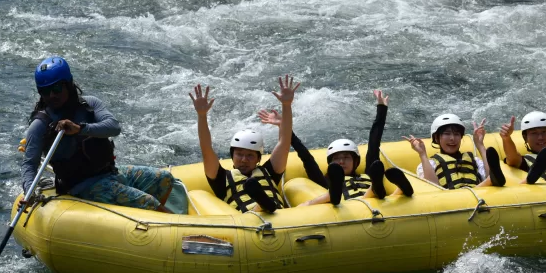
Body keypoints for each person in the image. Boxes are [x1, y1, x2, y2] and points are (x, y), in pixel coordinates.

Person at [21, 56, 175, 213]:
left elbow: (114, 127)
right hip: (84, 187)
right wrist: (29, 193)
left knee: (164, 179)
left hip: (110, 173)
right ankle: (159, 217)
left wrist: (80, 129)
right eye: (45, 91)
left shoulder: (89, 105)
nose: (52, 96)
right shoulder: (40, 125)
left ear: (68, 84)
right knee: (148, 202)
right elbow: (30, 164)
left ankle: (146, 224)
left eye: (57, 89)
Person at [258, 90, 414, 206]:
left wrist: (382, 108)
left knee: (376, 168)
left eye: (346, 157)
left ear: (355, 161)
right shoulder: (325, 181)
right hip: (348, 207)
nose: (341, 161)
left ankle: (392, 189)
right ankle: (375, 190)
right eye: (337, 159)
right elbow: (305, 155)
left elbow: (374, 143)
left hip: (378, 202)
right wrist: (283, 126)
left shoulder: (369, 173)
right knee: (362, 186)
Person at [190, 76, 299, 214]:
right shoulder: (221, 179)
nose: (244, 160)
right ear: (232, 155)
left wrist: (287, 105)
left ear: (259, 158)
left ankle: (263, 203)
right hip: (248, 224)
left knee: (267, 202)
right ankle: (261, 205)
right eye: (239, 154)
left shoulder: (270, 171)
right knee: (256, 208)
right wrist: (201, 115)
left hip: (281, 218)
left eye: (250, 155)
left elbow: (284, 141)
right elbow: (206, 148)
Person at [404, 113, 506, 188]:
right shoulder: (429, 164)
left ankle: (493, 179)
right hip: (450, 200)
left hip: (479, 196)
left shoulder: (474, 160)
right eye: (447, 134)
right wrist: (422, 154)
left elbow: (487, 175)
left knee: (491, 177)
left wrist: (480, 145)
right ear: (436, 138)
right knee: (490, 180)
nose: (452, 138)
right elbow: (433, 187)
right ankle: (491, 180)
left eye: (457, 134)